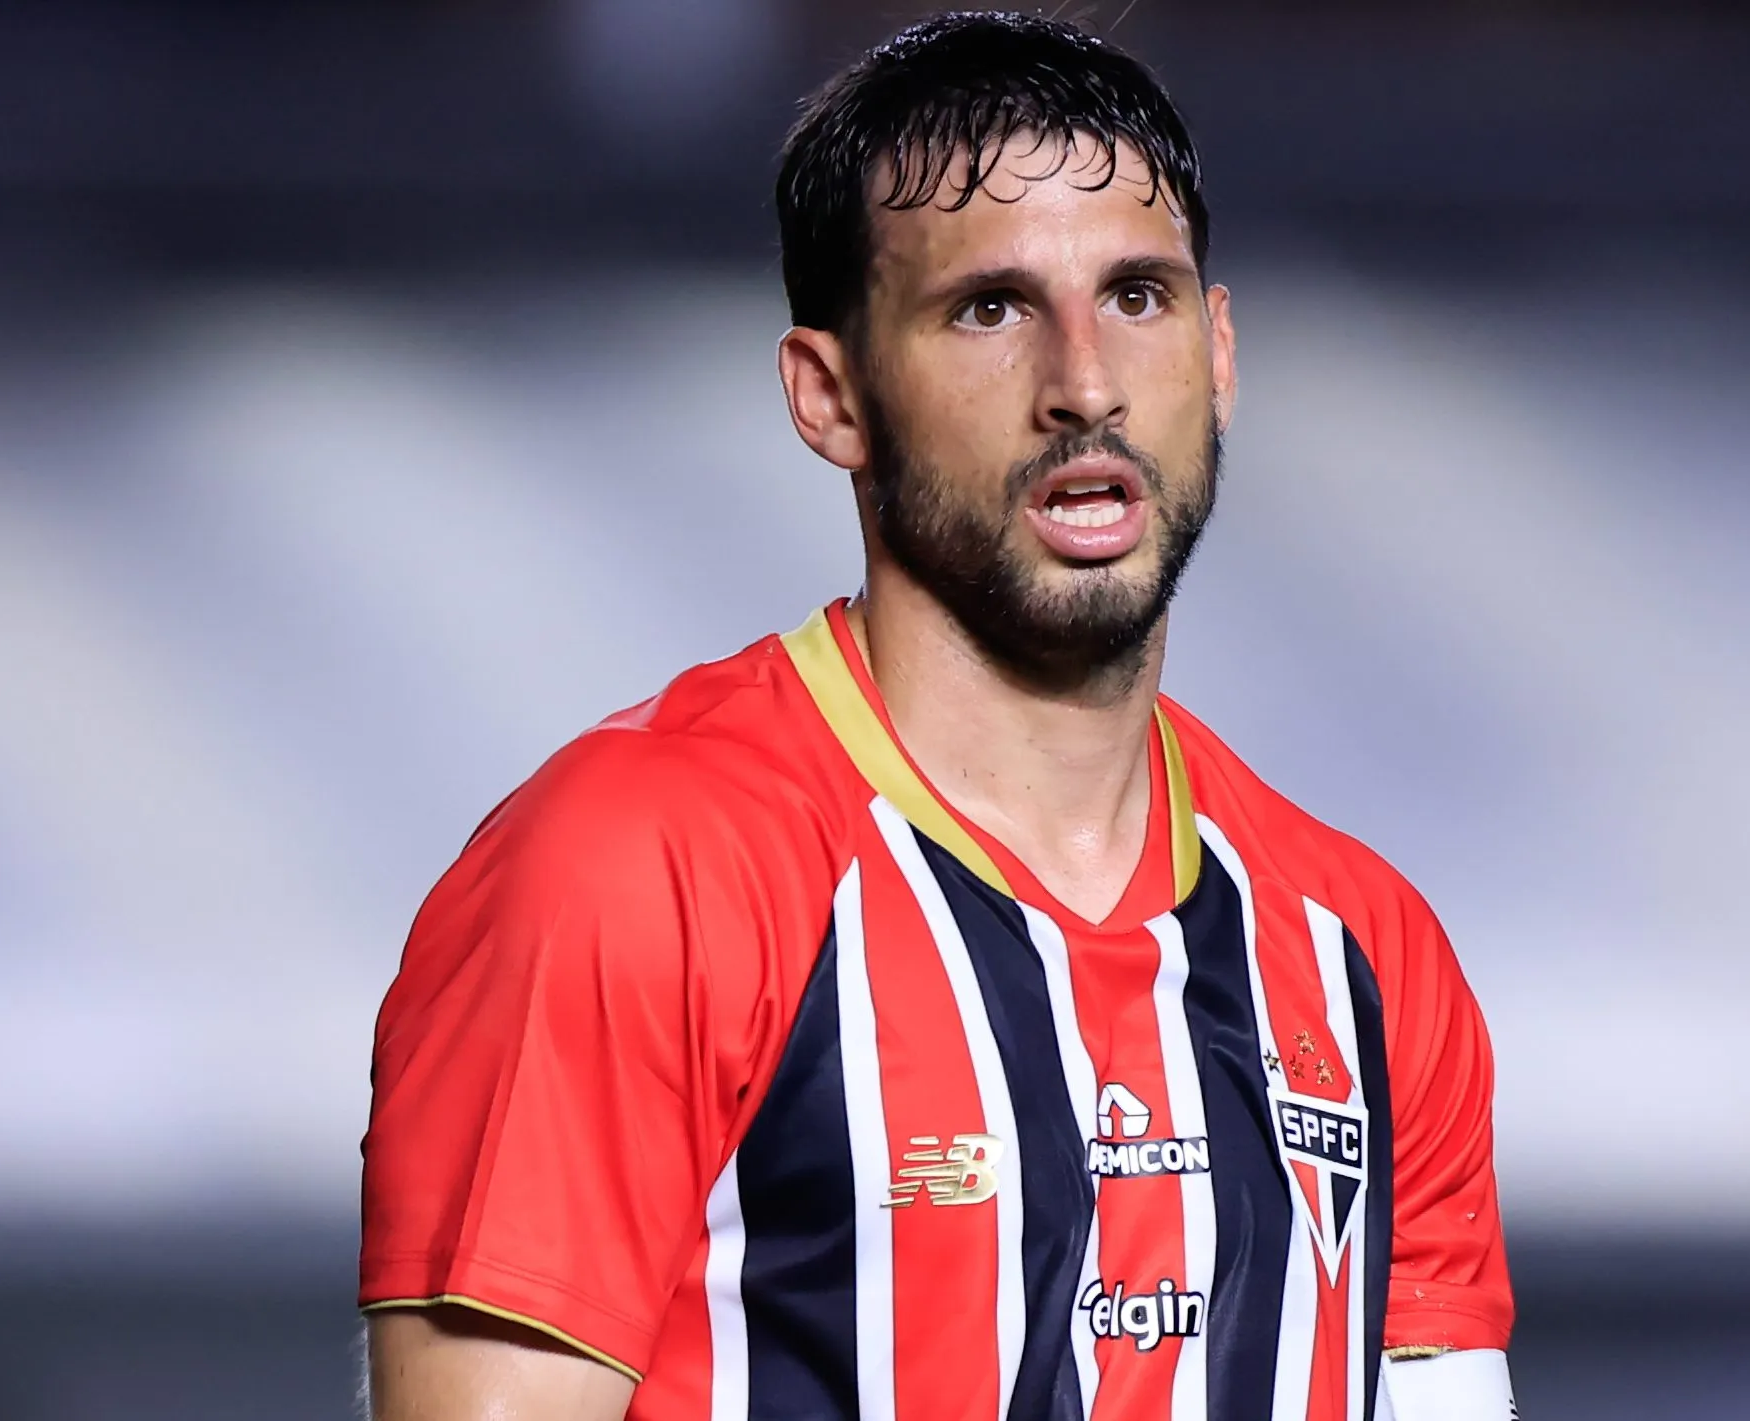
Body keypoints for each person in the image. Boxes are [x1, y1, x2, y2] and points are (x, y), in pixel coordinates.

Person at [358, 12, 1514, 1420]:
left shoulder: (1365, 954)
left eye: (1136, 296)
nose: (1084, 386)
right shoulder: (630, 872)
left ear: (1219, 353)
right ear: (830, 395)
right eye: (990, 310)